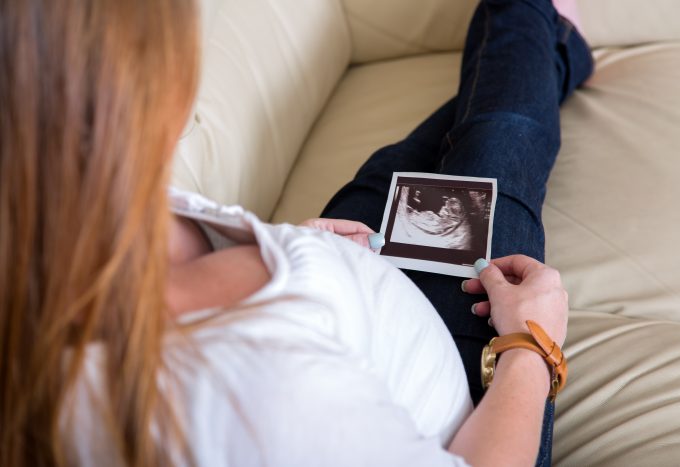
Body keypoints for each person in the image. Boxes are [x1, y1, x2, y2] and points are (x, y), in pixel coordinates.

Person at [0, 1, 592, 467]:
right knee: (503, 128)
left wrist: (291, 254)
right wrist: (533, 346)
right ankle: (535, 15)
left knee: (441, 141)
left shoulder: (57, 204)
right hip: (474, 399)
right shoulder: (249, 395)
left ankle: (556, 53)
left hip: (347, 280)